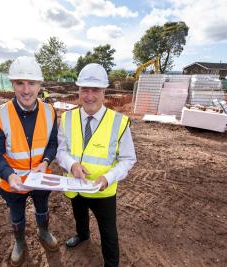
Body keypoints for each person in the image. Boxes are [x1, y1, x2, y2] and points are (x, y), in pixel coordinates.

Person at [56, 63, 137, 267]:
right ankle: (82, 235)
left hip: (103, 191)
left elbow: (128, 159)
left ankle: (111, 264)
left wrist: (108, 178)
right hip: (75, 186)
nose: (89, 95)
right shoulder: (67, 118)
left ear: (104, 92)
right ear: (79, 91)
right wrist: (72, 165)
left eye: (95, 90)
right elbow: (61, 151)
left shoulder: (119, 122)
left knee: (108, 232)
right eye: (85, 89)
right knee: (79, 215)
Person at [0, 56, 59, 266]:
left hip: (40, 177)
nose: (26, 90)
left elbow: (53, 143)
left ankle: (43, 232)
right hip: (13, 181)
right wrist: (9, 175)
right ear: (13, 85)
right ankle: (19, 241)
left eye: (32, 83)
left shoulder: (50, 111)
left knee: (42, 207)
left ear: (39, 85)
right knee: (16, 214)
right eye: (20, 83)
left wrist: (45, 163)